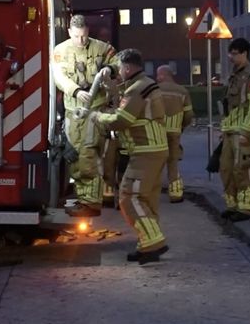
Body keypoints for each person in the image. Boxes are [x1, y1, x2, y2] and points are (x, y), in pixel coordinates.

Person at [90, 49, 169, 264]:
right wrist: (114, 91)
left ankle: (153, 242)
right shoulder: (143, 85)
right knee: (146, 199)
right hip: (153, 150)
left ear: (126, 67)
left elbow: (121, 120)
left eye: (118, 68)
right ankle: (147, 244)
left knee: (128, 196)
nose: (117, 72)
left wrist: (96, 116)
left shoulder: (137, 89)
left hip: (146, 152)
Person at [52, 14, 118, 217]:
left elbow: (117, 62)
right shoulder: (61, 51)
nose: (81, 41)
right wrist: (74, 90)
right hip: (74, 110)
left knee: (88, 152)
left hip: (95, 109)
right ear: (70, 32)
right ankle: (83, 199)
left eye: (84, 36)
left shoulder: (102, 48)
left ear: (88, 31)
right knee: (73, 155)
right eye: (77, 36)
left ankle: (91, 202)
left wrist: (109, 69)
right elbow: (59, 76)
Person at [219, 38, 250, 222]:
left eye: (235, 53)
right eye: (230, 53)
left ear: (245, 54)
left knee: (242, 169)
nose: (231, 57)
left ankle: (245, 208)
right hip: (231, 130)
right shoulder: (235, 75)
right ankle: (233, 205)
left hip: (244, 132)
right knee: (226, 168)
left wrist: (246, 131)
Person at [156, 64, 194, 202]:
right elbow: (189, 114)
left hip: (158, 132)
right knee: (173, 162)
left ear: (163, 75)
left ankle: (153, 194)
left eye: (158, 75)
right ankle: (176, 193)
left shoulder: (155, 90)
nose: (156, 78)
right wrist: (181, 126)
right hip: (175, 132)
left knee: (156, 162)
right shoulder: (182, 91)